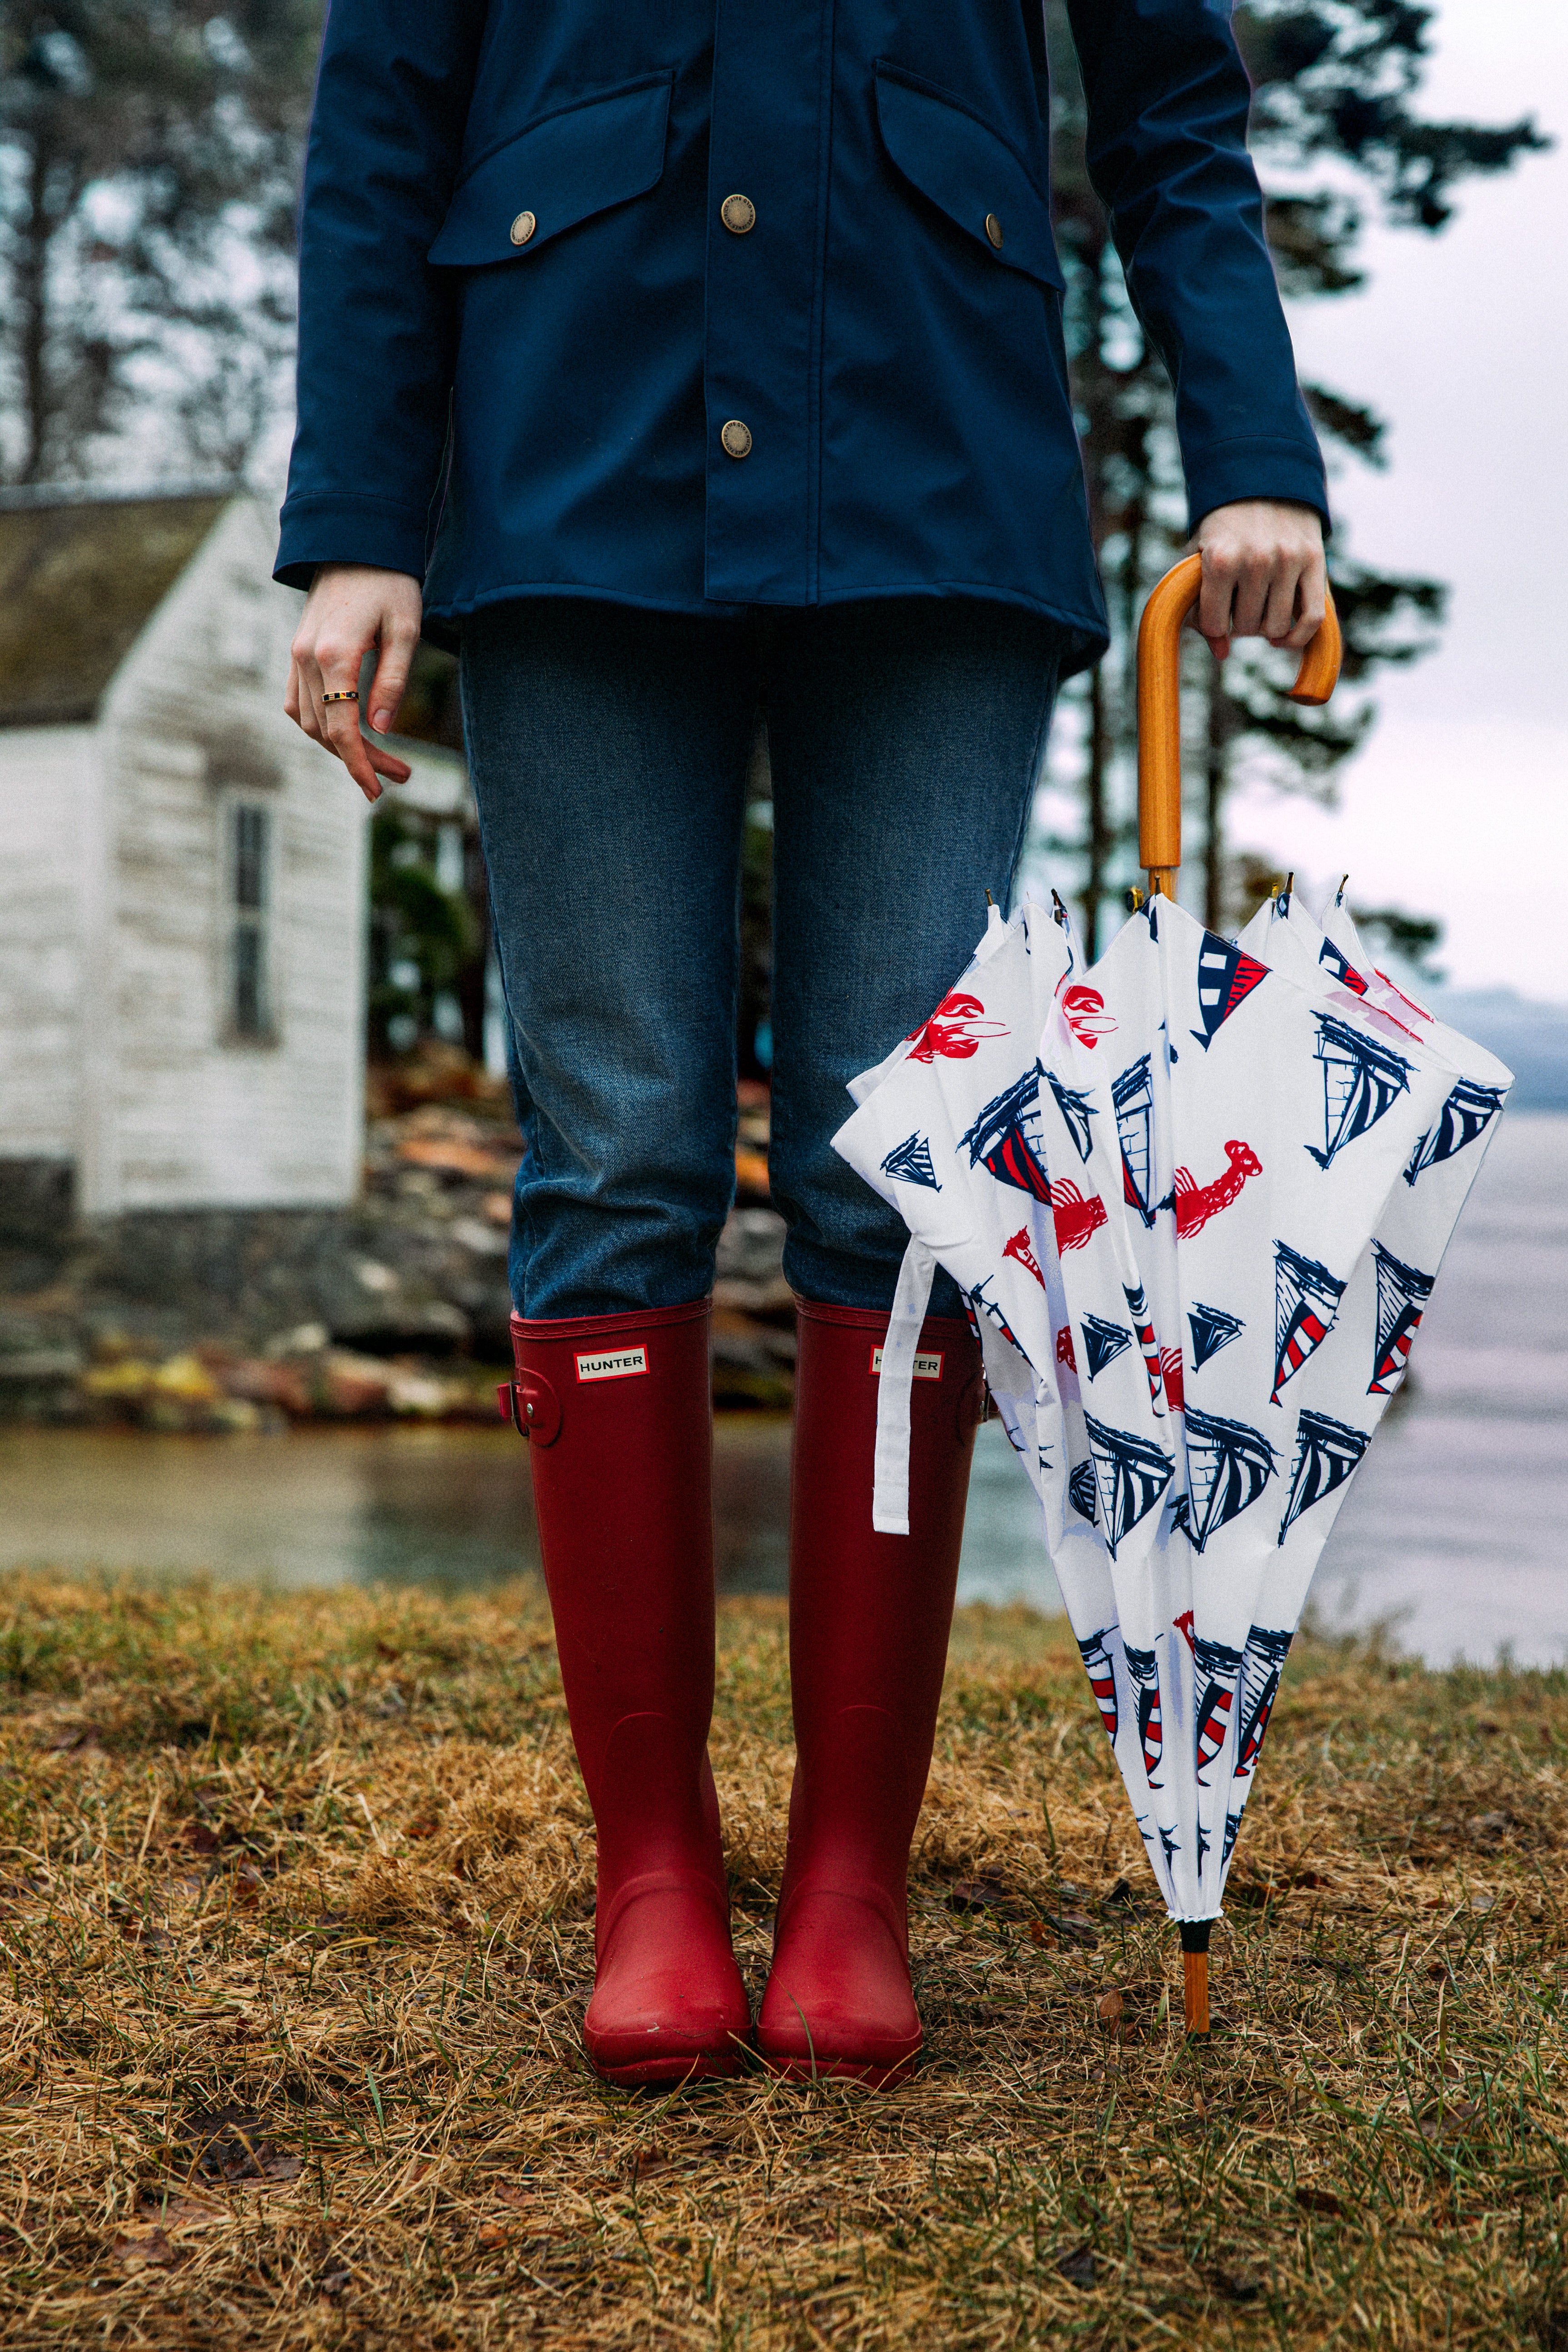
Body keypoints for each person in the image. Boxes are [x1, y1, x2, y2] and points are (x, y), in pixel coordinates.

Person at [277, 0, 1329, 2088]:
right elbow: (380, 122)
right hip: (572, 453)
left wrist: (1251, 463)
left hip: (935, 469)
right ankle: (650, 1873)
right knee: (615, 1151)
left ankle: (851, 1878)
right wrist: (356, 514)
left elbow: (1174, 118)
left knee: (905, 1176)